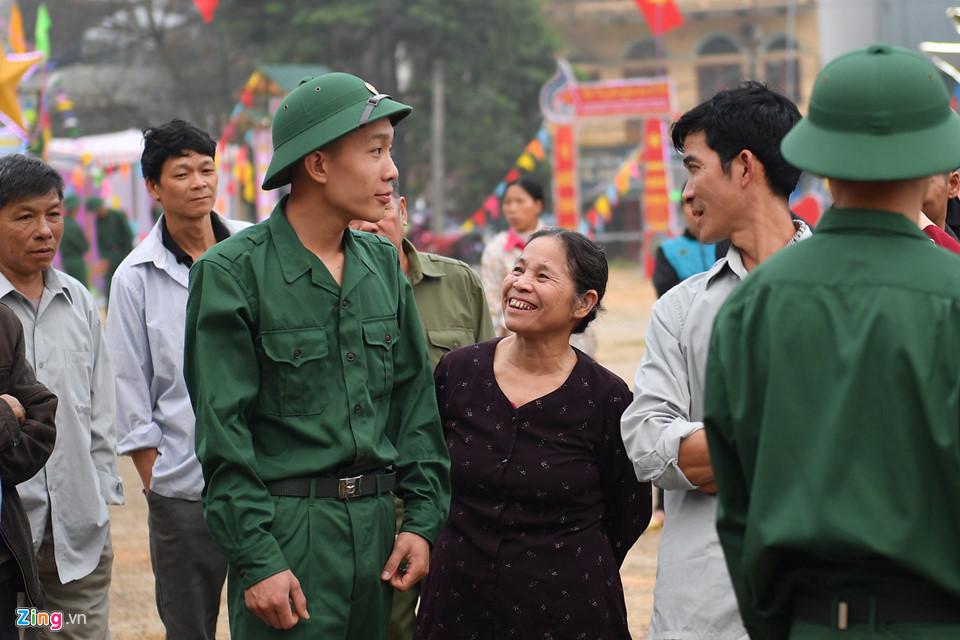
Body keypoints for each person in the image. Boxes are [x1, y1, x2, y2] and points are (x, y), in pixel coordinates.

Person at [704, 43, 960, 640]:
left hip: (813, 623)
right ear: (934, 161)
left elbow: (738, 505)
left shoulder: (752, 306)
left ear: (819, 155)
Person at [183, 72, 451, 640]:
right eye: (374, 151)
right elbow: (223, 437)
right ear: (318, 165)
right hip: (289, 535)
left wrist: (422, 522)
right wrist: (258, 559)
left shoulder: (383, 265)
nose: (391, 170)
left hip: (378, 532)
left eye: (391, 151)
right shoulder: (232, 275)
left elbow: (415, 409)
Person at [619, 81, 807, 640]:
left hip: (820, 603)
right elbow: (648, 445)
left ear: (744, 168)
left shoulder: (847, 292)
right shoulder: (679, 310)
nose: (685, 191)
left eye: (694, 167)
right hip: (705, 611)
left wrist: (710, 448)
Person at [415, 228, 651, 640]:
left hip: (568, 611)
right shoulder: (458, 372)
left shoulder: (606, 398)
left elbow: (630, 510)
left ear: (584, 302)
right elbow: (426, 472)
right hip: (458, 603)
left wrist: (564, 560)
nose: (520, 282)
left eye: (543, 276)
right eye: (519, 268)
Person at [106, 119, 248, 640]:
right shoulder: (134, 276)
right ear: (153, 186)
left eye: (207, 169)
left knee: (280, 619)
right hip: (183, 489)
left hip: (269, 478)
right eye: (182, 172)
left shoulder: (253, 250)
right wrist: (156, 476)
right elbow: (129, 385)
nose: (199, 183)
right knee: (188, 628)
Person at [350, 183, 495, 640]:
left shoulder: (459, 283)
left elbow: (492, 387)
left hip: (457, 489)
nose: (371, 217)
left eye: (383, 203)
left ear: (404, 211)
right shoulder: (331, 293)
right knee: (389, 622)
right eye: (355, 206)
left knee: (463, 617)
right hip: (378, 492)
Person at [0, 153, 122, 640]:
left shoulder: (78, 302)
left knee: (71, 629)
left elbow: (100, 408)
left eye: (53, 214)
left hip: (76, 534)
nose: (45, 230)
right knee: (19, 627)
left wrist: (101, 491)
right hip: (8, 535)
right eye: (25, 216)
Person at [480, 177, 596, 355]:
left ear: (538, 205)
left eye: (519, 201)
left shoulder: (564, 245)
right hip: (520, 344)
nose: (512, 209)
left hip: (566, 341)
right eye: (507, 203)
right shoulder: (495, 249)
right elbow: (492, 304)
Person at [0, 304, 57, 634]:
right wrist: (7, 415)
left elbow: (42, 414)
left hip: (5, 564)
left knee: (68, 622)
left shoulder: (4, 323)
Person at [652, 191, 717, 298]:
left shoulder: (729, 243)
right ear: (681, 210)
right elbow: (667, 296)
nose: (697, 209)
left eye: (703, 201)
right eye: (691, 203)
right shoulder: (667, 251)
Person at [88, 195, 133, 302]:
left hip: (122, 253)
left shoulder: (117, 215)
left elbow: (128, 234)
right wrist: (103, 258)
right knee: (110, 284)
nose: (98, 212)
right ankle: (110, 312)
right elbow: (100, 241)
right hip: (109, 257)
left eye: (98, 209)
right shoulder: (98, 221)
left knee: (124, 282)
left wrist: (128, 253)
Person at [59, 194, 89, 285]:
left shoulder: (61, 223)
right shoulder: (74, 226)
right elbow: (84, 246)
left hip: (65, 260)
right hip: (76, 261)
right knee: (81, 288)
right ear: (75, 208)